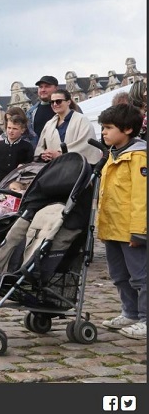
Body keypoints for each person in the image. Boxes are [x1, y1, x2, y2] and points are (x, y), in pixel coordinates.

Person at [97, 104, 146, 340]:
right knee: (119, 275)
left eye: (108, 128)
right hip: (112, 228)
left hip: (131, 230)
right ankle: (131, 312)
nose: (104, 132)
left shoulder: (138, 157)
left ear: (127, 129)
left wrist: (140, 230)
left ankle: (146, 318)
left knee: (141, 276)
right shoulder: (113, 155)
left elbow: (141, 196)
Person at [34, 88, 102, 165]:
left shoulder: (82, 120)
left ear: (68, 102)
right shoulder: (49, 124)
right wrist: (44, 154)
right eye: (52, 102)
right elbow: (41, 147)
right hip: (55, 168)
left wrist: (60, 153)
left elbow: (85, 143)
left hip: (78, 167)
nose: (55, 104)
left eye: (58, 101)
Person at [0, 114, 35, 188]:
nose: (11, 131)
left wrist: (23, 165)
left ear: (22, 130)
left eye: (15, 129)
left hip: (17, 184)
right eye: (9, 128)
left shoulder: (27, 146)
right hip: (0, 183)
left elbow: (30, 164)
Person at [26, 75, 59, 148]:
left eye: (47, 86)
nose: (43, 90)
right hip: (39, 154)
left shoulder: (65, 109)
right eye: (40, 87)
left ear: (56, 88)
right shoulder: (31, 113)